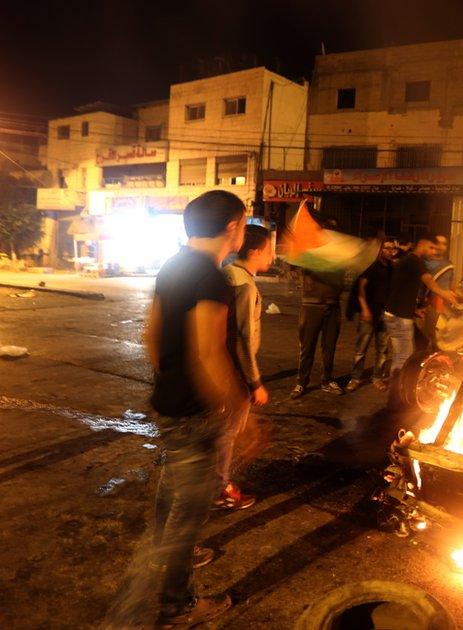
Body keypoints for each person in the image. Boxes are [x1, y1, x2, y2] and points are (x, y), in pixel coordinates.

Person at [144, 190, 248, 627]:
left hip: (168, 406)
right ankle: (176, 604)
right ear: (231, 228)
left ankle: (161, 558)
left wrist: (169, 382)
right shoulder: (211, 278)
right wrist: (236, 409)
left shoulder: (172, 266)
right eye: (243, 223)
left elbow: (150, 335)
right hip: (193, 414)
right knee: (188, 511)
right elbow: (209, 354)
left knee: (172, 493)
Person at [217, 225, 273, 509]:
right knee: (227, 432)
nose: (273, 256)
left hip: (221, 366)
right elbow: (242, 337)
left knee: (221, 431)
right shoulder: (244, 285)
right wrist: (254, 382)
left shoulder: (227, 275)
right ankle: (219, 488)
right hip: (234, 372)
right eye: (270, 249)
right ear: (255, 252)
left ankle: (215, 482)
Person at [384, 235, 461, 377]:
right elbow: (429, 281)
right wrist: (444, 293)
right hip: (399, 317)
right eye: (431, 247)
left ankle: (396, 385)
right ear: (422, 245)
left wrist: (415, 310)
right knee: (405, 356)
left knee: (400, 354)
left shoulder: (408, 261)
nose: (433, 251)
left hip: (394, 313)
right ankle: (397, 389)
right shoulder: (415, 262)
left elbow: (402, 290)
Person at [346, 238, 397, 392]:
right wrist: (365, 309)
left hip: (385, 315)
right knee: (361, 349)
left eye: (391, 248)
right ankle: (355, 378)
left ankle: (377, 378)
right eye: (386, 248)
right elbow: (361, 288)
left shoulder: (392, 268)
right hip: (369, 314)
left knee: (382, 350)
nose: (389, 251)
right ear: (380, 250)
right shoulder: (372, 267)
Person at [291, 264, 345, 399]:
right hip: (311, 305)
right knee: (307, 347)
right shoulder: (311, 249)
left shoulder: (340, 252)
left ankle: (327, 380)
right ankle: (301, 382)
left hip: (332, 305)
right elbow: (294, 264)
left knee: (329, 347)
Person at [419, 233, 455, 351]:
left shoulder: (449, 264)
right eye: (437, 243)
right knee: (422, 342)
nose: (440, 246)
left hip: (443, 309)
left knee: (439, 344)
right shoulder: (423, 263)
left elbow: (452, 286)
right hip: (427, 307)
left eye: (444, 244)